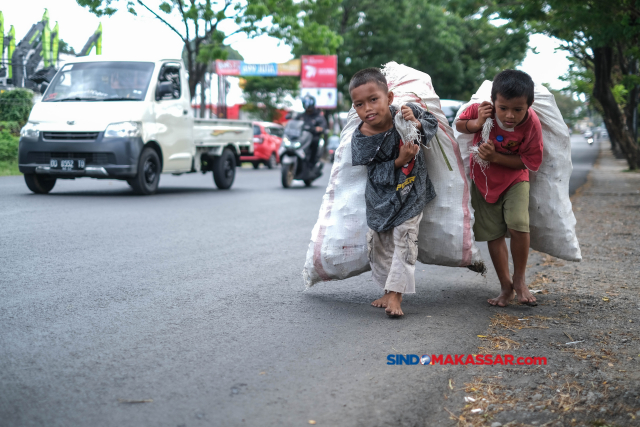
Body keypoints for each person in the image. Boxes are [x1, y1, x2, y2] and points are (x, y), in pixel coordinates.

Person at [349, 68, 439, 317]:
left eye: (373, 99)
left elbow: (433, 125)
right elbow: (373, 174)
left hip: (411, 194)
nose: (367, 108)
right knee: (381, 244)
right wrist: (399, 161)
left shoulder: (405, 112)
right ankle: (388, 289)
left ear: (389, 98)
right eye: (359, 104)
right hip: (380, 201)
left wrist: (416, 121)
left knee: (404, 241)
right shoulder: (362, 138)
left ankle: (397, 297)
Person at [455, 69, 543, 307]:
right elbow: (461, 125)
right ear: (493, 101)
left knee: (519, 225)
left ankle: (520, 280)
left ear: (529, 105)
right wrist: (478, 122)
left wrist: (495, 157)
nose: (509, 116)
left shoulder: (532, 124)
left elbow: (528, 162)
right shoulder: (484, 110)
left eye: (517, 109)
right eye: (503, 108)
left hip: (515, 179)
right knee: (493, 234)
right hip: (483, 180)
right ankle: (506, 287)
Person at [300, 95, 327, 165]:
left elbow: (323, 126)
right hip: (302, 137)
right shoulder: (302, 115)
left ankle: (312, 162)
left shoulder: (318, 116)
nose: (308, 109)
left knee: (315, 142)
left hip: (313, 137)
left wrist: (320, 128)